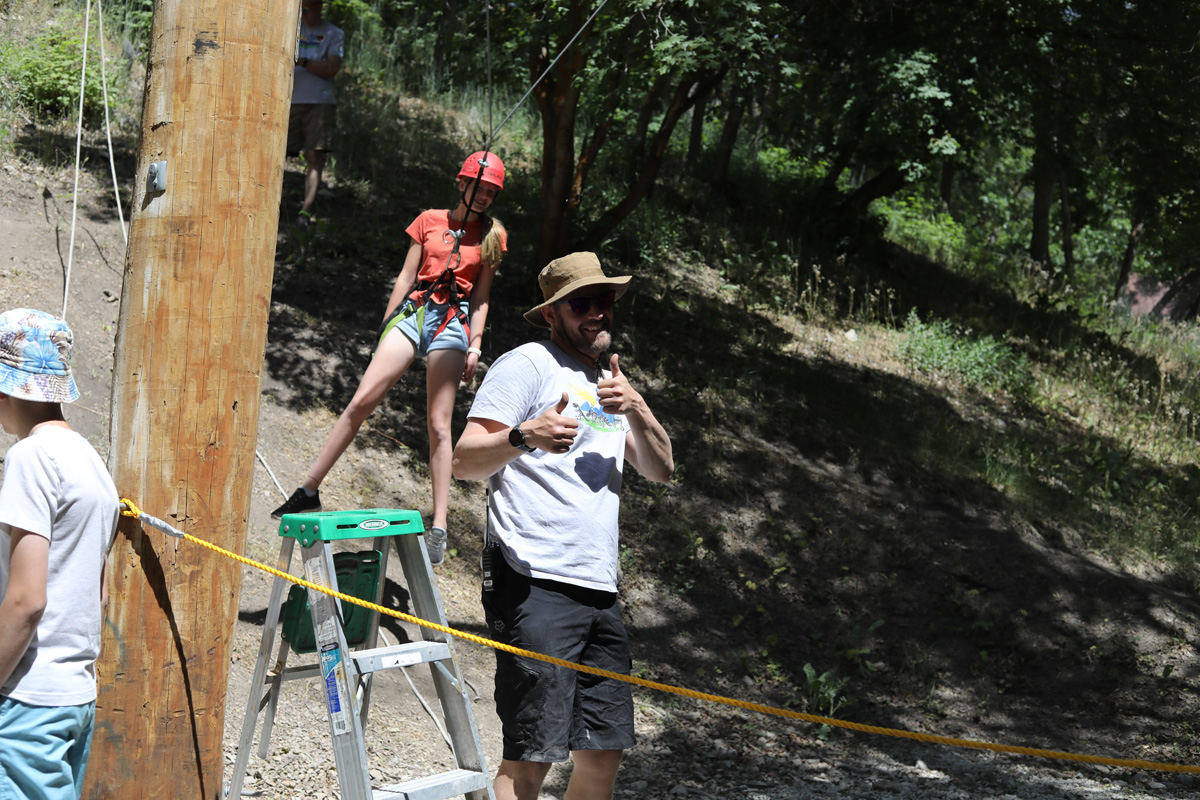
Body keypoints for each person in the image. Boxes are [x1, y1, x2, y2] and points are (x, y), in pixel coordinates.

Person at [451, 252, 673, 800]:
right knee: (531, 756)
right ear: (552, 313)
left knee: (602, 753)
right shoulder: (527, 364)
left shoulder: (610, 384)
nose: (597, 311)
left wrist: (638, 408)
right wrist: (524, 436)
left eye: (605, 300)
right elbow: (463, 460)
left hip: (599, 588)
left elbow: (661, 469)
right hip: (534, 580)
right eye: (582, 302)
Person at [272, 152, 509, 567]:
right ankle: (309, 489)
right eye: (479, 187)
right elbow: (405, 276)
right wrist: (386, 326)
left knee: (439, 424)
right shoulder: (428, 220)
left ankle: (439, 525)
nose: (485, 196)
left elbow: (482, 297)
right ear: (461, 183)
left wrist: (475, 345)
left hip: (452, 322)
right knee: (362, 401)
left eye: (492, 191)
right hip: (414, 312)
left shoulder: (492, 236)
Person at [0, 309, 120, 800]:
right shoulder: (90, 460)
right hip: (75, 696)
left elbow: (26, 601)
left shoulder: (30, 458)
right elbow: (100, 593)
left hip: (26, 700)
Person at [288, 0, 344, 228]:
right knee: (278, 152)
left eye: (308, 9)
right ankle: (272, 204)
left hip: (320, 103)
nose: (304, 13)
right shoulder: (290, 28)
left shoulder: (333, 33)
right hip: (288, 100)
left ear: (320, 7)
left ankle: (305, 211)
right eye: (302, 8)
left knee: (314, 156)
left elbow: (332, 67)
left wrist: (303, 62)